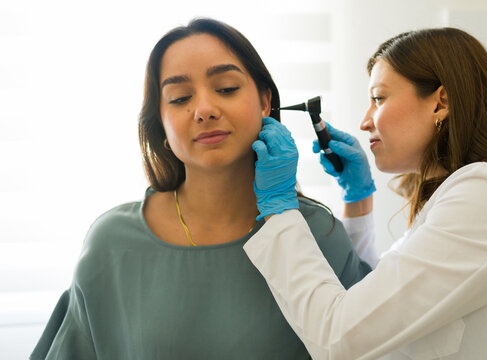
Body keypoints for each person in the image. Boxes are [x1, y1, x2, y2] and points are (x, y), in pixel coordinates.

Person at [244, 27, 487, 359]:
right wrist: (358, 200)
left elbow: (340, 337)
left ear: (440, 103)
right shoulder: (473, 193)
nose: (366, 121)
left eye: (378, 98)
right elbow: (372, 296)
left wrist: (280, 208)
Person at [30, 18, 371, 360]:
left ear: (266, 103)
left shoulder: (318, 236)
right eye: (179, 98)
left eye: (226, 88)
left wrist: (360, 202)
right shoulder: (112, 243)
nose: (205, 110)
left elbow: (382, 337)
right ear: (160, 122)